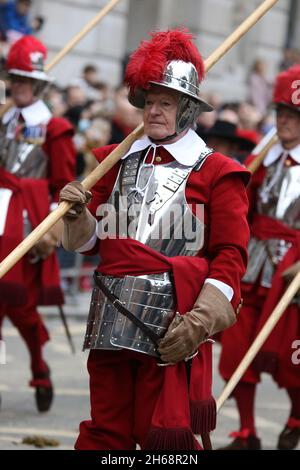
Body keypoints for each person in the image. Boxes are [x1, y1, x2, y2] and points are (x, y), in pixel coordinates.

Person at [59, 28, 250, 450]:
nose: (154, 111)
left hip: (170, 325)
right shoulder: (114, 161)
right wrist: (77, 215)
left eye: (166, 102)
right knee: (105, 436)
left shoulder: (218, 172)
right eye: (149, 101)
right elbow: (94, 244)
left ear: (187, 111)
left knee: (162, 442)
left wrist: (199, 323)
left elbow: (231, 256)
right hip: (109, 316)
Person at [219, 65, 300, 450]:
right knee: (236, 348)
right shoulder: (260, 161)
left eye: (294, 116)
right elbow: (241, 211)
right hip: (252, 263)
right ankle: (247, 431)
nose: (284, 121)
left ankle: (297, 417)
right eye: (281, 112)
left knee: (290, 356)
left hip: (294, 269)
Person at [0, 35, 76, 412]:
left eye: (26, 81)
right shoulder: (3, 116)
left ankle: (39, 367)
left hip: (28, 224)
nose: (19, 87)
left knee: (22, 309)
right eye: (14, 79)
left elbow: (63, 184)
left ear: (40, 84)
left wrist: (51, 226)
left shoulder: (55, 127)